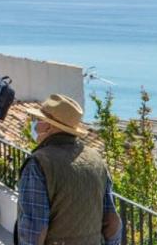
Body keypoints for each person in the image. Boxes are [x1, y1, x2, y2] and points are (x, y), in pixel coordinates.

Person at [18, 94, 122, 245]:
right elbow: (112, 221)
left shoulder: (39, 163)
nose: (33, 123)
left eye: (37, 120)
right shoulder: (96, 159)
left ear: (49, 126)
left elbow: (34, 229)